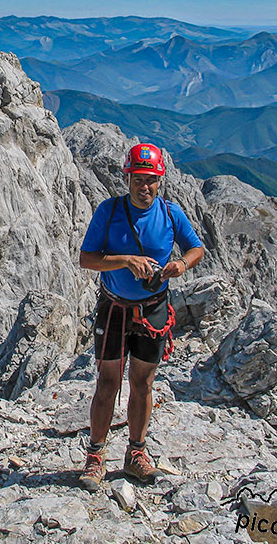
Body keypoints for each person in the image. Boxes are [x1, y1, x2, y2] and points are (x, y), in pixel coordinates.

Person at [77, 142, 203, 488]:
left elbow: (196, 248)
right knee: (107, 382)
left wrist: (180, 264)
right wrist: (126, 260)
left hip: (153, 309)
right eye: (138, 179)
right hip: (114, 308)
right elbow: (87, 259)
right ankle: (95, 457)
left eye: (150, 180)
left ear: (159, 180)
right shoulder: (110, 211)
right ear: (127, 178)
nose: (144, 187)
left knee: (143, 383)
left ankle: (135, 453)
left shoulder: (171, 213)